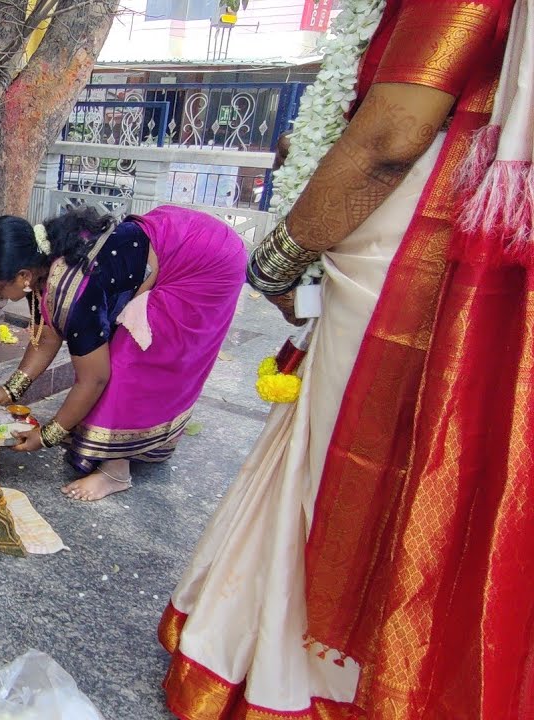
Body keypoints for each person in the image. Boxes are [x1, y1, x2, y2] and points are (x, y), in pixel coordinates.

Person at [160, 0, 525, 717]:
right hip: (493, 272)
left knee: (344, 464)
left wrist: (281, 256)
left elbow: (391, 135)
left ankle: (303, 673)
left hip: (415, 253)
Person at [0, 205, 246, 501]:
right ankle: (105, 436)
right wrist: (9, 390)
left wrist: (47, 436)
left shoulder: (74, 293)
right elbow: (47, 335)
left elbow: (95, 379)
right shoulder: (44, 265)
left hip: (206, 262)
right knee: (109, 349)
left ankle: (116, 472)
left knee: (128, 358)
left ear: (23, 275)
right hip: (177, 236)